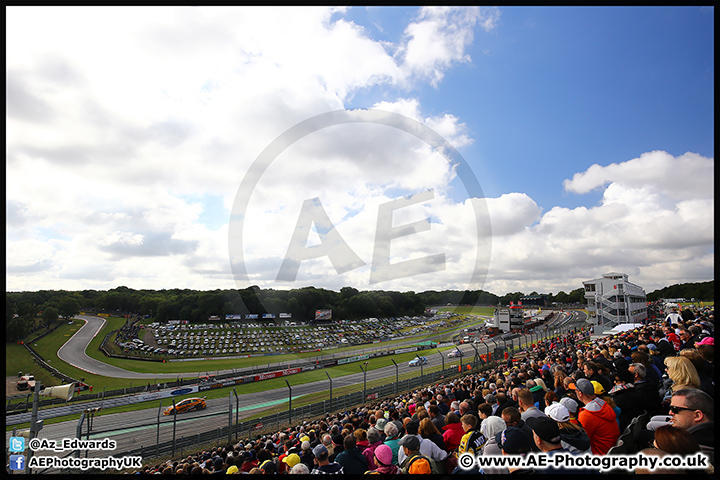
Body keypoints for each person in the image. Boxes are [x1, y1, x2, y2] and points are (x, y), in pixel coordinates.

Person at [575, 378, 620, 455]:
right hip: (610, 450)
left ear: (580, 393)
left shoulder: (587, 414)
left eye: (575, 391)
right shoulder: (604, 405)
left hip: (599, 454)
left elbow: (582, 440)